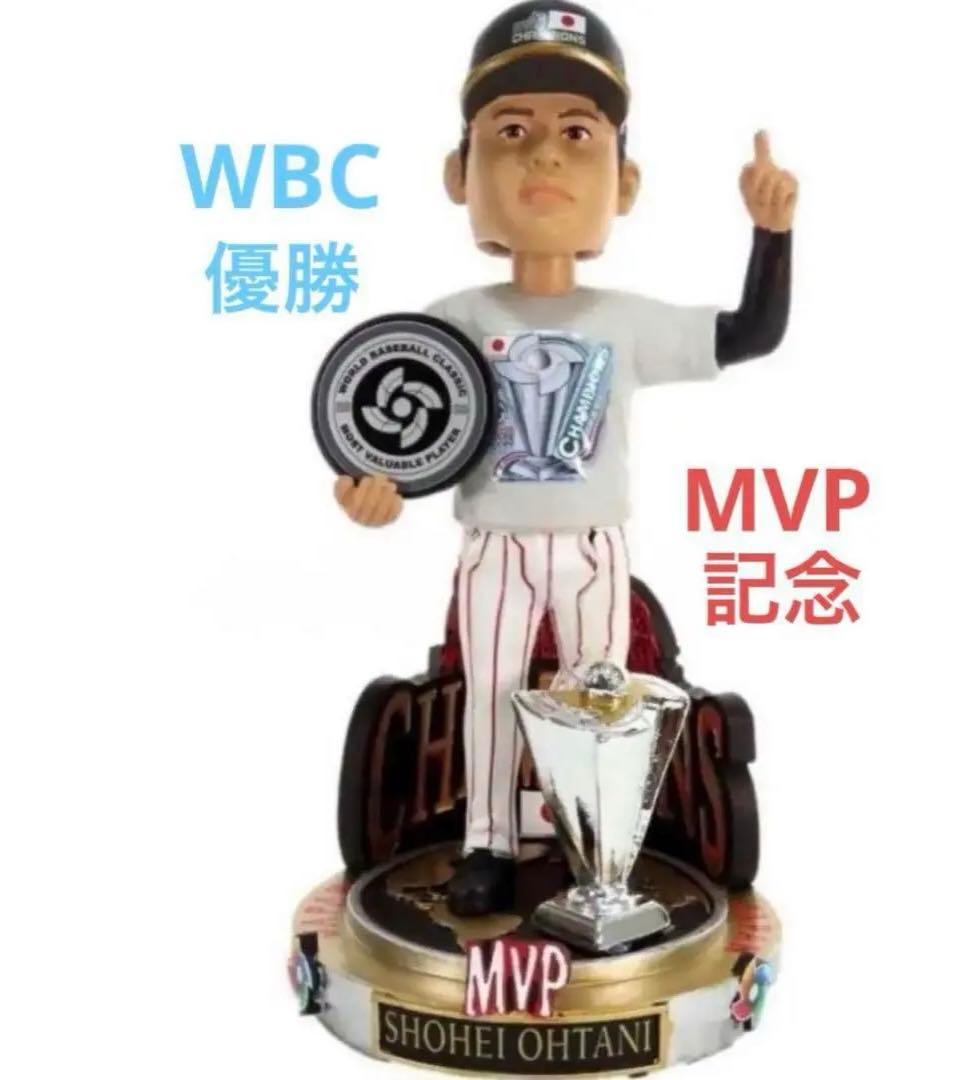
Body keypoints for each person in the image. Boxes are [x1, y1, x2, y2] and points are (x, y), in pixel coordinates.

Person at [332, 2, 797, 916]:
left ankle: (598, 852)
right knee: (491, 691)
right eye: (511, 131)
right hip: (494, 543)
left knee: (601, 702)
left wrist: (771, 234)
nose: (545, 155)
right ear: (459, 173)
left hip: (594, 545)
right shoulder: (455, 319)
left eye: (578, 133)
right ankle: (489, 846)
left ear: (625, 182)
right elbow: (388, 427)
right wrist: (371, 490)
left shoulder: (624, 319)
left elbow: (752, 333)